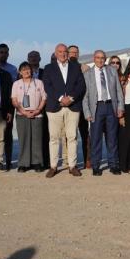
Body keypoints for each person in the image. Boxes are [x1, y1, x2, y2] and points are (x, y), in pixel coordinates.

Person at [42, 43, 86, 177]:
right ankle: (53, 166)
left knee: (72, 137)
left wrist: (71, 99)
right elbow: (48, 86)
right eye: (60, 51)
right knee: (54, 138)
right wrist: (61, 98)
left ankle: (72, 166)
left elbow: (81, 86)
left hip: (73, 107)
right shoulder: (48, 68)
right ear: (55, 54)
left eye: (65, 51)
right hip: (54, 107)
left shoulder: (76, 67)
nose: (63, 54)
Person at [83, 50, 124, 176]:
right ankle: (96, 166)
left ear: (105, 59)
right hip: (97, 108)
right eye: (98, 58)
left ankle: (113, 165)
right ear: (94, 59)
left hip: (111, 106)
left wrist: (120, 107)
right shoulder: (88, 74)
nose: (100, 60)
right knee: (96, 138)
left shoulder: (112, 71)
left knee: (112, 138)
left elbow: (118, 90)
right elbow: (85, 96)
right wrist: (87, 112)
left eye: (103, 58)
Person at [11, 61, 47, 172]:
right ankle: (23, 163)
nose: (27, 71)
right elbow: (14, 100)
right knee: (24, 139)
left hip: (37, 114)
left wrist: (38, 110)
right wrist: (24, 111)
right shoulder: (16, 84)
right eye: (24, 70)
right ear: (20, 72)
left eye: (28, 69)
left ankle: (37, 163)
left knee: (37, 139)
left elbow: (44, 98)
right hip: (22, 114)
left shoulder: (39, 82)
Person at [68, 44, 92, 170]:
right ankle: (71, 162)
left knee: (85, 135)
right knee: (70, 136)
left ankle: (88, 160)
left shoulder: (85, 68)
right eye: (71, 52)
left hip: (83, 106)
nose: (74, 54)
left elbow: (89, 87)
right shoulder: (64, 68)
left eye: (76, 52)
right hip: (69, 106)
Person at [0, 43, 17, 170]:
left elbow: (14, 90)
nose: (3, 54)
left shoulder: (13, 69)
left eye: (5, 52)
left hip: (8, 106)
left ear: (8, 54)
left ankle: (8, 160)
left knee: (8, 134)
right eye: (1, 52)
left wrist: (10, 108)